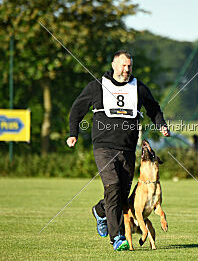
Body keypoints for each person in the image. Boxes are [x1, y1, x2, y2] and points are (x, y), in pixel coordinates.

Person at [66, 50, 169, 251]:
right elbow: (78, 109)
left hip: (128, 149)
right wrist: (73, 133)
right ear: (114, 65)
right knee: (112, 187)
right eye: (123, 65)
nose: (127, 69)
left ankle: (100, 210)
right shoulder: (97, 86)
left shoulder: (138, 87)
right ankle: (118, 238)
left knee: (121, 197)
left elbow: (153, 108)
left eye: (129, 65)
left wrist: (161, 124)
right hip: (103, 147)